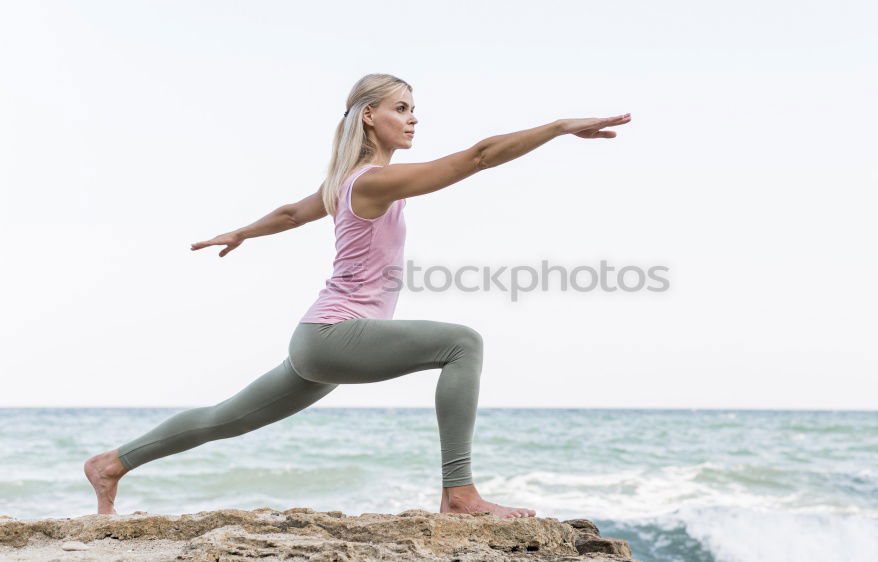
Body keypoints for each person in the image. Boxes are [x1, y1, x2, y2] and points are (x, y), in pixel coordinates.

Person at [84, 73, 631, 518]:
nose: (413, 118)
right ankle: (459, 493)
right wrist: (559, 126)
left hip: (320, 341)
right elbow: (480, 156)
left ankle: (112, 463)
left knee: (226, 418)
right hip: (335, 334)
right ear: (369, 115)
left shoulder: (344, 181)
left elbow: (293, 213)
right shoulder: (368, 181)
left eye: (414, 109)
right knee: (463, 343)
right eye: (401, 107)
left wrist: (243, 232)